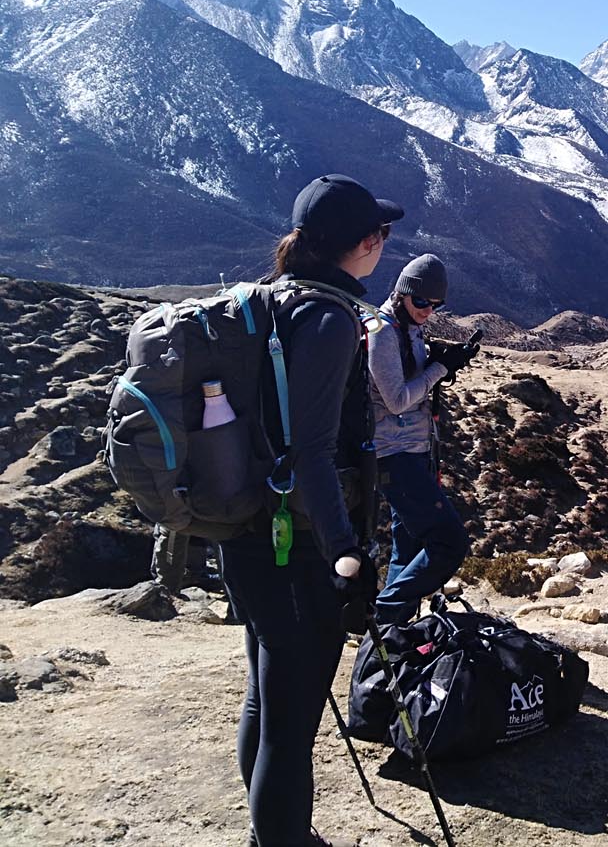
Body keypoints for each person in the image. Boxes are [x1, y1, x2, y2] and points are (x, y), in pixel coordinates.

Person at [219, 173, 401, 847]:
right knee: (291, 727)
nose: (384, 243)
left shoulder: (272, 301)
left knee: (267, 701)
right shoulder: (326, 319)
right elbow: (314, 454)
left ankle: (275, 832)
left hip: (250, 530)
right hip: (296, 545)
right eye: (380, 234)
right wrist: (347, 554)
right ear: (361, 244)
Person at [367, 253, 474, 625]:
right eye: (422, 302)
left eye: (436, 304)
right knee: (449, 543)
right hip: (392, 454)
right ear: (401, 294)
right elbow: (396, 399)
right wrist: (441, 368)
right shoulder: (381, 334)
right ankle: (383, 622)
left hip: (412, 450)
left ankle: (396, 635)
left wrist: (438, 358)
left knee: (407, 546)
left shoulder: (408, 327)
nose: (429, 310)